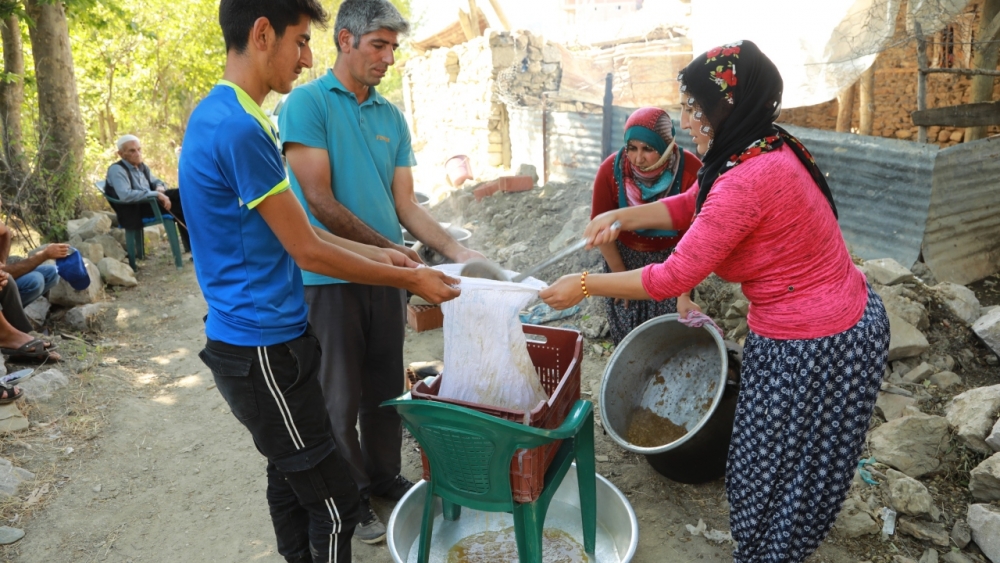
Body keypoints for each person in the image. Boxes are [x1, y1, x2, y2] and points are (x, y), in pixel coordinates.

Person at [539, 40, 889, 563]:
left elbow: (673, 275)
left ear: (723, 109)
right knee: (769, 465)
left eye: (692, 109)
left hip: (819, 344)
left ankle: (772, 554)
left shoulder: (751, 174)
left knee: (782, 472)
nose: (686, 120)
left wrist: (584, 285)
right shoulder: (758, 145)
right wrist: (625, 217)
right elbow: (696, 201)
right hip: (814, 325)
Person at [179, 2, 459, 562]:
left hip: (268, 337)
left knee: (290, 477)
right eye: (301, 41)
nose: (308, 58)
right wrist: (408, 277)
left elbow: (299, 229)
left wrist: (398, 262)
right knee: (332, 503)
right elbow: (307, 246)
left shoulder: (228, 114)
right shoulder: (242, 127)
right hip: (260, 346)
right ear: (263, 34)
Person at [279, 0, 484, 544]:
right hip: (330, 278)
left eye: (393, 47)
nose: (389, 57)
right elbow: (318, 200)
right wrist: (390, 253)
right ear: (345, 40)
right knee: (338, 395)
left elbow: (407, 206)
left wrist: (454, 252)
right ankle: (348, 496)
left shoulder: (390, 116)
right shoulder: (306, 104)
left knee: (384, 388)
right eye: (379, 45)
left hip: (389, 277)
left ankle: (383, 477)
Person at [590, 106, 701, 344]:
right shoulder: (610, 171)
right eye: (632, 148)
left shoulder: (691, 172)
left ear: (665, 146)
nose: (638, 158)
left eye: (648, 149)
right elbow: (601, 230)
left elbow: (695, 242)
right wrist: (620, 276)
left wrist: (684, 295)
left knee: (669, 338)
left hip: (673, 263)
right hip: (623, 259)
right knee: (628, 337)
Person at [105, 135, 191, 253]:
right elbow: (125, 195)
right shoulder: (117, 170)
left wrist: (159, 188)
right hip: (135, 209)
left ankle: (193, 246)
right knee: (184, 204)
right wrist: (156, 194)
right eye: (132, 150)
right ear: (121, 153)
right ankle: (195, 246)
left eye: (139, 149)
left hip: (150, 202)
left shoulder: (141, 166)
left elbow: (157, 181)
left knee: (184, 195)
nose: (137, 153)